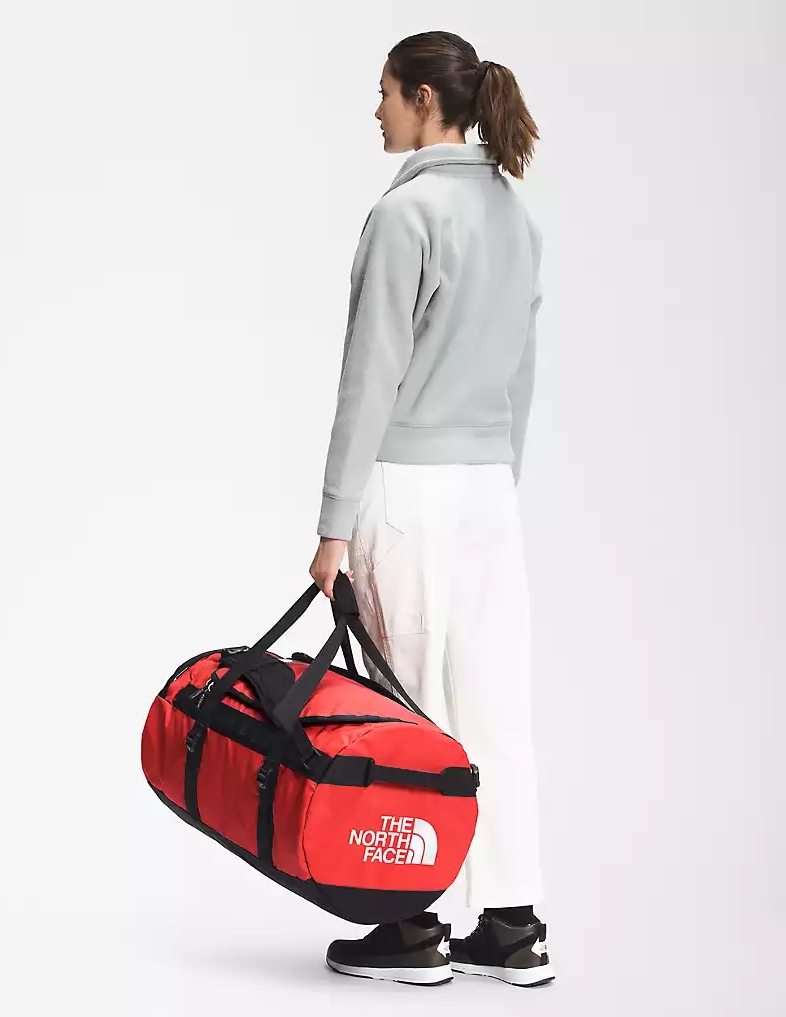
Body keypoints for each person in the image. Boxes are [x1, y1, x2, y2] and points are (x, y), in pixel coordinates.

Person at [308, 30, 551, 989]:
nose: (375, 110)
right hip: (488, 490)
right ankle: (512, 924)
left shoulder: (404, 213)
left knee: (403, 702)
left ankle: (410, 925)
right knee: (498, 705)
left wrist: (333, 523)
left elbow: (368, 379)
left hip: (405, 485)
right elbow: (520, 374)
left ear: (421, 99)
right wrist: (497, 477)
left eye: (383, 92)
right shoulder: (515, 216)